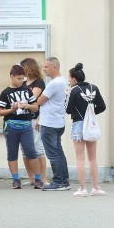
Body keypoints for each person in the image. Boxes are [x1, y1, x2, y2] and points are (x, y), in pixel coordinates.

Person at [65, 63, 107, 196]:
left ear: (73, 79)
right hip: (91, 124)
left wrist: (67, 95)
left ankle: (82, 188)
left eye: (69, 78)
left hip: (78, 123)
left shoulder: (74, 90)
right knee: (93, 158)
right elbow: (102, 106)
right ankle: (96, 187)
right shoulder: (93, 87)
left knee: (80, 158)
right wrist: (91, 112)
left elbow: (68, 109)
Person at [0, 64, 41, 190]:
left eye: (23, 78)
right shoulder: (5, 92)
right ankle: (16, 180)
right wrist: (12, 109)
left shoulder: (27, 90)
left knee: (31, 152)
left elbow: (36, 106)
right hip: (11, 126)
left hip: (26, 126)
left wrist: (27, 106)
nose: (21, 81)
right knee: (12, 153)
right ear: (11, 77)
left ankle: (38, 179)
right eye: (18, 78)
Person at [36, 57, 71, 191]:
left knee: (53, 154)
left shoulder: (54, 83)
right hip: (57, 121)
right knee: (58, 152)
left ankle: (59, 182)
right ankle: (64, 181)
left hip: (50, 123)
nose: (44, 69)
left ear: (54, 67)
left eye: (46, 67)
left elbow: (40, 101)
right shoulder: (63, 81)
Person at [20, 58, 47, 185]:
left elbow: (32, 97)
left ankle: (43, 178)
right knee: (25, 150)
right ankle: (31, 178)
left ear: (29, 68)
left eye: (23, 68)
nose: (22, 71)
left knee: (37, 148)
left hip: (34, 118)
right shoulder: (23, 83)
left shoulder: (39, 82)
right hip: (22, 118)